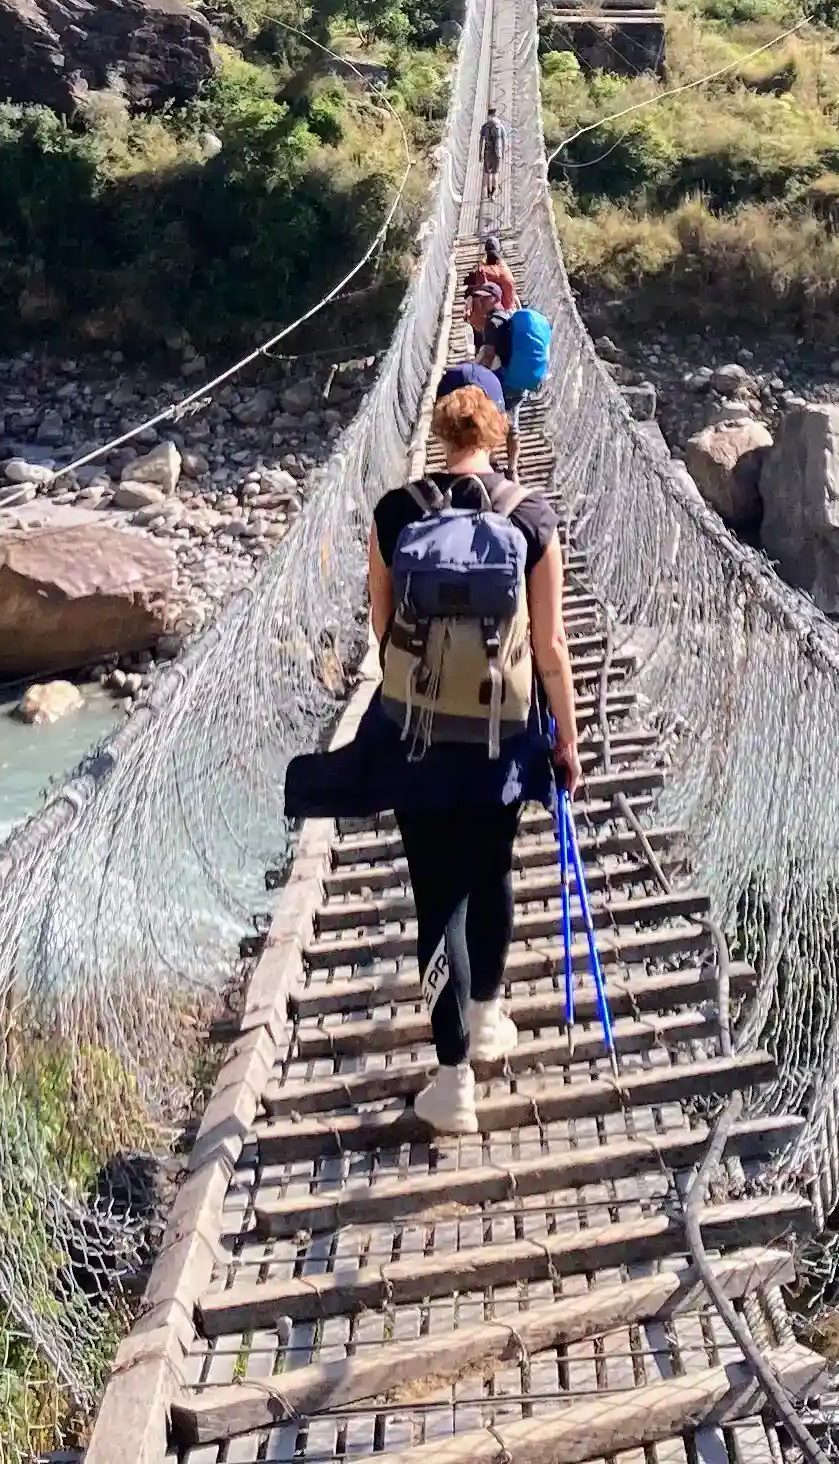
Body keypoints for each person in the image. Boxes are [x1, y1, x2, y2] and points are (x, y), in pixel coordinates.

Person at [359, 379, 578, 1135]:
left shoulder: (394, 513)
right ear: (497, 434)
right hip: (503, 736)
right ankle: (487, 1018)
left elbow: (382, 629)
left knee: (435, 898)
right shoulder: (532, 518)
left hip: (417, 735)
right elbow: (550, 648)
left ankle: (452, 1083)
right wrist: (567, 739)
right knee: (492, 872)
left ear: (438, 434)